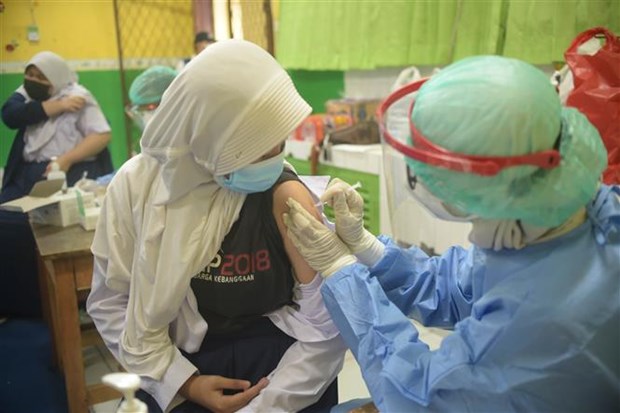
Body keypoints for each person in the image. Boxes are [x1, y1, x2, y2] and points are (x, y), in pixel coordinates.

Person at [284, 55, 620, 412]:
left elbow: (419, 396)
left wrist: (342, 273)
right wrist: (369, 251)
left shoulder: (541, 318)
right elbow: (461, 285)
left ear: (491, 183)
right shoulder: (562, 216)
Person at [86, 39, 346, 413]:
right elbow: (112, 302)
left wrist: (266, 406)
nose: (273, 158)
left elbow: (324, 330)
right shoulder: (138, 189)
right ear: (209, 133)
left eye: (279, 141)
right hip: (177, 368)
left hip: (284, 374)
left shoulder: (286, 196)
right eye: (255, 147)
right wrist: (184, 384)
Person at [0, 51, 112, 318]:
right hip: (26, 173)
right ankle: (19, 302)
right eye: (29, 74)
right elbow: (10, 114)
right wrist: (57, 106)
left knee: (39, 230)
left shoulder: (79, 95)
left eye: (40, 77)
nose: (32, 80)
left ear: (57, 78)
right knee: (5, 223)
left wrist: (66, 159)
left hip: (62, 172)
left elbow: (101, 134)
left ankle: (53, 300)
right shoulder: (28, 96)